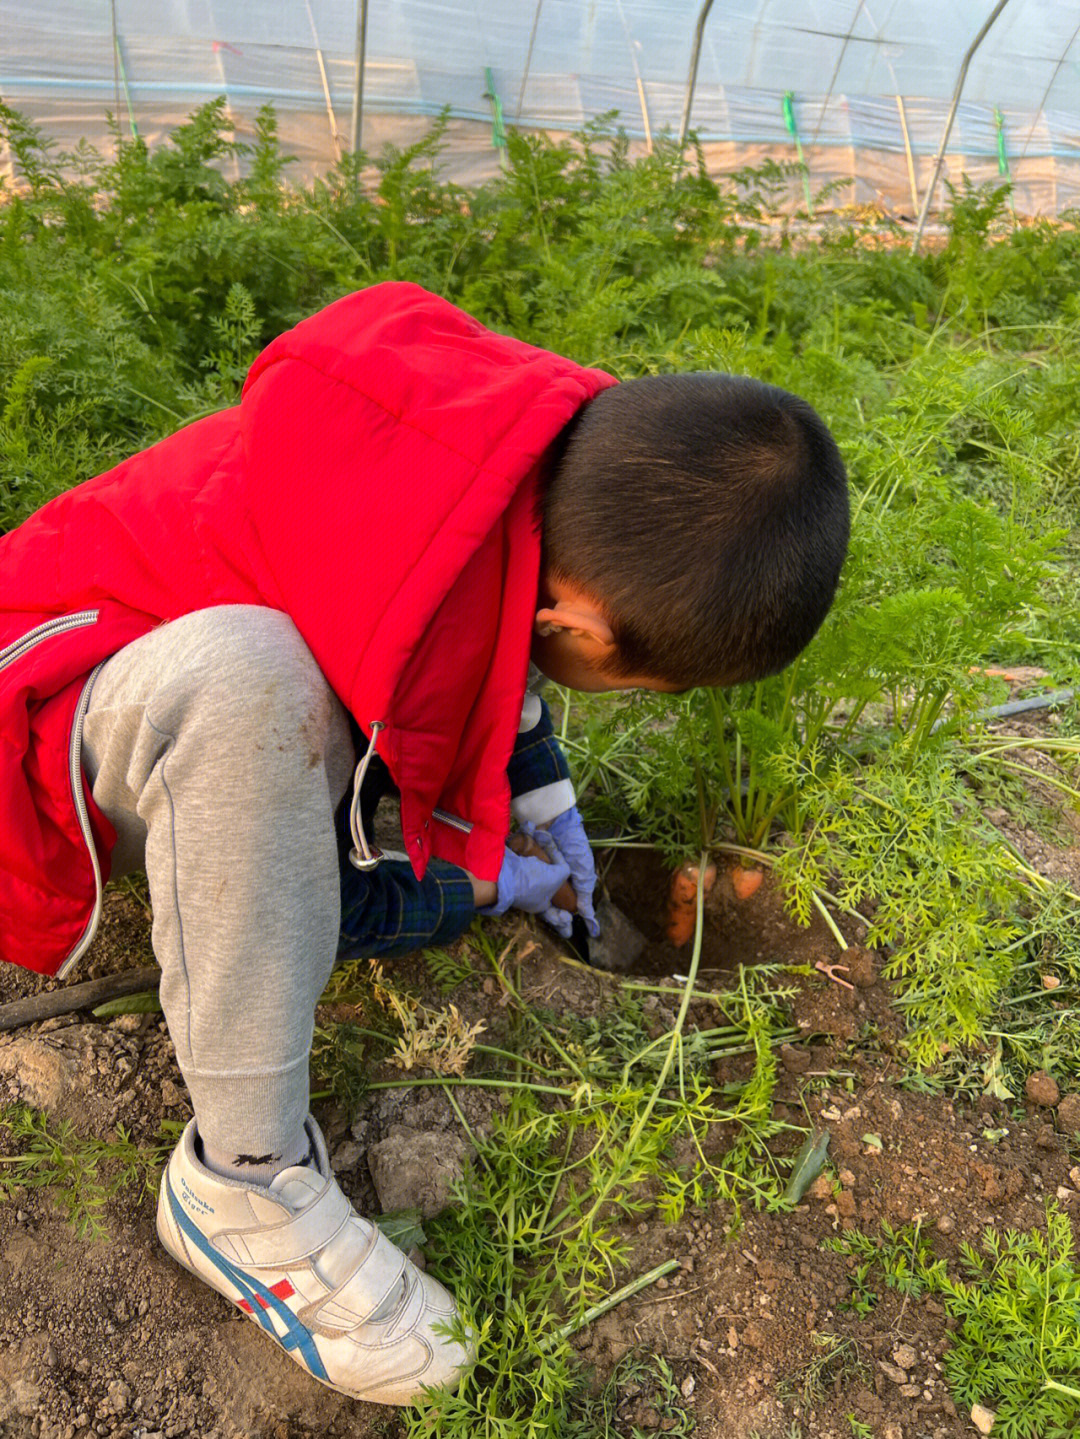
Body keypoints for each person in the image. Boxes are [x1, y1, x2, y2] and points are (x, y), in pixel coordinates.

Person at [0, 281, 849, 1405]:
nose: (629, 694)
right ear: (582, 630)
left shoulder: (492, 463)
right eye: (643, 681)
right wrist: (473, 890)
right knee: (255, 683)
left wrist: (539, 800)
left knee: (272, 688)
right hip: (36, 730)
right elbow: (327, 898)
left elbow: (497, 639)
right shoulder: (372, 617)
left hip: (123, 659)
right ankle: (240, 1182)